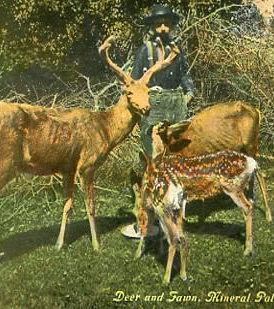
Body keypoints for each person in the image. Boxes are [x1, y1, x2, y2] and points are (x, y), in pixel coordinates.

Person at [121, 4, 195, 238]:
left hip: (176, 104)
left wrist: (188, 93)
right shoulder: (146, 50)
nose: (163, 28)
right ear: (153, 26)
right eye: (158, 24)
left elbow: (185, 75)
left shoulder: (177, 49)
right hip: (153, 105)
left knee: (178, 158)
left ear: (171, 25)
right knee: (150, 158)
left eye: (167, 24)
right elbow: (135, 81)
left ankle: (176, 213)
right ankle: (148, 217)